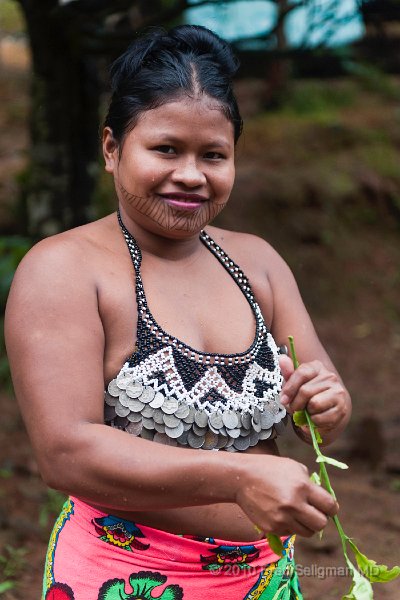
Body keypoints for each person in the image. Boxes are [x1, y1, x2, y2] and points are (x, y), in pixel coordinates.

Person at [5, 24, 351, 600]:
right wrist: (237, 477)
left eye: (213, 155)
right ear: (112, 148)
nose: (192, 174)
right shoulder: (64, 269)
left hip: (266, 578)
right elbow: (65, 452)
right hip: (121, 580)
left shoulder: (258, 264)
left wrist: (327, 406)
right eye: (166, 149)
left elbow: (315, 403)